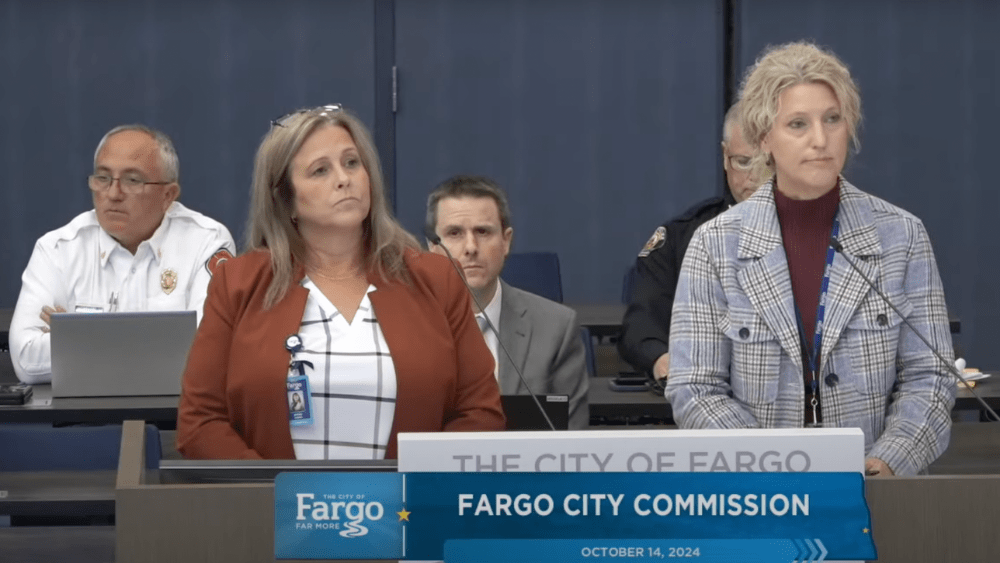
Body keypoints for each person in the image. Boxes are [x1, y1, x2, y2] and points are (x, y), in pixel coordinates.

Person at [666, 42, 956, 477]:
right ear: (765, 138)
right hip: (759, 498)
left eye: (832, 119)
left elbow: (930, 377)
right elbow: (695, 389)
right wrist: (772, 469)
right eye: (798, 124)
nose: (820, 140)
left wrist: (889, 460)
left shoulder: (902, 236)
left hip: (878, 496)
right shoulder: (715, 245)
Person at [177, 106, 505, 460]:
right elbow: (200, 423)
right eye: (320, 170)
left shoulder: (435, 278)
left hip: (407, 510)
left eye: (352, 163)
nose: (344, 179)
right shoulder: (238, 283)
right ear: (286, 199)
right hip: (275, 510)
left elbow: (479, 413)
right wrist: (273, 493)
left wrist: (417, 488)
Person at [9, 125, 235, 384]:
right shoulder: (57, 249)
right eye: (103, 178)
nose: (113, 194)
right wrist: (156, 344)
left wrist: (78, 338)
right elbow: (27, 360)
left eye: (132, 181)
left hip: (176, 418)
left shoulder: (207, 241)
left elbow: (208, 351)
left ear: (168, 195)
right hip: (83, 420)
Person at [426, 175, 589, 429]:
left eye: (483, 231)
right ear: (433, 248)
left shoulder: (556, 327)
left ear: (506, 241)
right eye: (455, 233)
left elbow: (572, 442)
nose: (471, 247)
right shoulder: (404, 326)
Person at [619, 102, 758, 383]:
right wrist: (661, 358)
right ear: (724, 156)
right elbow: (641, 326)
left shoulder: (815, 235)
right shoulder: (682, 236)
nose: (754, 176)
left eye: (767, 163)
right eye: (743, 162)